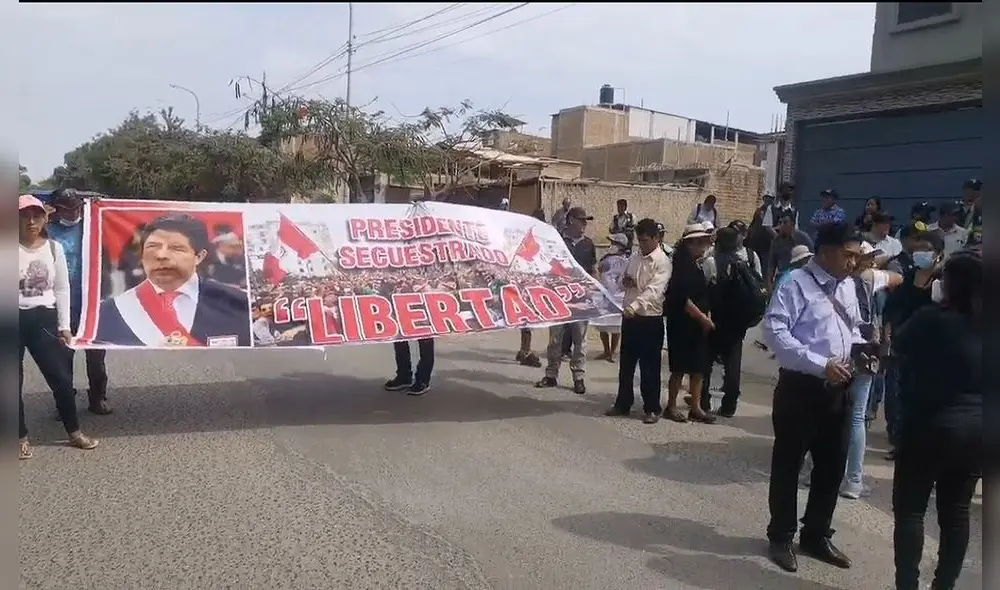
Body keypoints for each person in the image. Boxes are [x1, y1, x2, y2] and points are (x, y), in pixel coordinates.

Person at [761, 222, 865, 573]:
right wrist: (822, 365)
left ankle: (816, 533)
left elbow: (853, 329)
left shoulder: (848, 287)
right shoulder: (794, 283)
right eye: (847, 255)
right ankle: (781, 535)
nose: (853, 263)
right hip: (801, 389)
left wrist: (865, 352)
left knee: (832, 466)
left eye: (856, 256)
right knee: (789, 465)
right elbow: (775, 333)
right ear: (824, 252)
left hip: (840, 389)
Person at [891, 251, 981, 590]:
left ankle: (907, 585)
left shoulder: (931, 318)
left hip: (929, 425)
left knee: (911, 510)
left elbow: (899, 343)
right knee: (956, 513)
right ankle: (944, 585)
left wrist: (918, 291)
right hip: (978, 432)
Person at [18, 195, 100, 459]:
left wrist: (64, 325)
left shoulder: (54, 248)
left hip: (45, 320)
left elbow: (62, 289)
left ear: (45, 218)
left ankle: (74, 432)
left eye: (36, 215)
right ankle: (20, 437)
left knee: (62, 380)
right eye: (24, 215)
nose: (30, 221)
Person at [95, 214, 252, 347]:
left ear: (199, 256)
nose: (161, 256)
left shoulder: (235, 304)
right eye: (153, 247)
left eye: (176, 248)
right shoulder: (109, 312)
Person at [46, 189, 112, 415]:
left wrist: (101, 206)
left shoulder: (93, 228)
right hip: (61, 305)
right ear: (57, 209)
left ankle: (98, 398)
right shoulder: (47, 232)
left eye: (76, 208)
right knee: (62, 359)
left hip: (92, 303)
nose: (72, 213)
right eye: (66, 209)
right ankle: (64, 403)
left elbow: (117, 227)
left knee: (96, 358)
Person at [881, 228, 944, 460]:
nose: (921, 254)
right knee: (898, 396)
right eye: (918, 250)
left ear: (938, 253)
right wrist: (888, 329)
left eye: (927, 250)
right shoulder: (909, 276)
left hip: (931, 349)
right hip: (904, 344)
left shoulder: (942, 280)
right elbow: (893, 306)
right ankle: (900, 442)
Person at [605, 219, 671, 423]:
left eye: (645, 241)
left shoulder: (663, 262)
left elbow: (654, 291)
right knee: (626, 364)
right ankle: (623, 403)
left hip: (649, 319)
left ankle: (652, 407)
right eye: (639, 241)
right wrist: (626, 282)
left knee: (649, 367)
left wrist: (634, 306)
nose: (642, 245)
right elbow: (627, 279)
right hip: (631, 319)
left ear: (656, 238)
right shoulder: (634, 257)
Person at [699, 226, 763, 417]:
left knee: (706, 363)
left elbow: (703, 289)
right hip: (736, 322)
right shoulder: (742, 264)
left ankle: (703, 401)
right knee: (732, 364)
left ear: (717, 243)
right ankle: (729, 405)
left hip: (714, 320)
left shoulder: (711, 262)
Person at [536, 207, 597, 395]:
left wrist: (594, 287)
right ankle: (551, 374)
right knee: (556, 338)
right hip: (559, 298)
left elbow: (593, 269)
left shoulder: (588, 244)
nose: (584, 225)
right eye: (581, 221)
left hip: (580, 298)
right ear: (571, 221)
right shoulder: (558, 242)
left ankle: (578, 377)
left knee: (580, 339)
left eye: (586, 221)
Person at [662, 222, 716, 424]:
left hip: (697, 327)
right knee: (679, 368)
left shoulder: (696, 264)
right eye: (701, 241)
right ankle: (672, 406)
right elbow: (683, 299)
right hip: (683, 324)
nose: (704, 245)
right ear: (690, 243)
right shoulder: (681, 266)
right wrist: (702, 318)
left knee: (698, 368)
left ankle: (696, 407)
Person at [515, 208, 547, 368]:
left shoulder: (533, 236)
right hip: (529, 282)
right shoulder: (532, 237)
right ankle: (525, 351)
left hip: (529, 281)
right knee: (527, 319)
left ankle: (523, 349)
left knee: (526, 320)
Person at [593, 233, 630, 362]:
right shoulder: (605, 259)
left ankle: (612, 352)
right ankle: (606, 350)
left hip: (618, 297)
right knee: (602, 323)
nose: (611, 246)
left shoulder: (627, 260)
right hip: (604, 295)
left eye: (614, 244)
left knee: (615, 325)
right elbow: (599, 271)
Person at [768, 211, 814, 290]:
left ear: (792, 224)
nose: (782, 225)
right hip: (784, 277)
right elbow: (772, 264)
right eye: (780, 222)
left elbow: (814, 257)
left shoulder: (803, 237)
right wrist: (769, 283)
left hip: (801, 277)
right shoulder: (777, 241)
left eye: (785, 222)